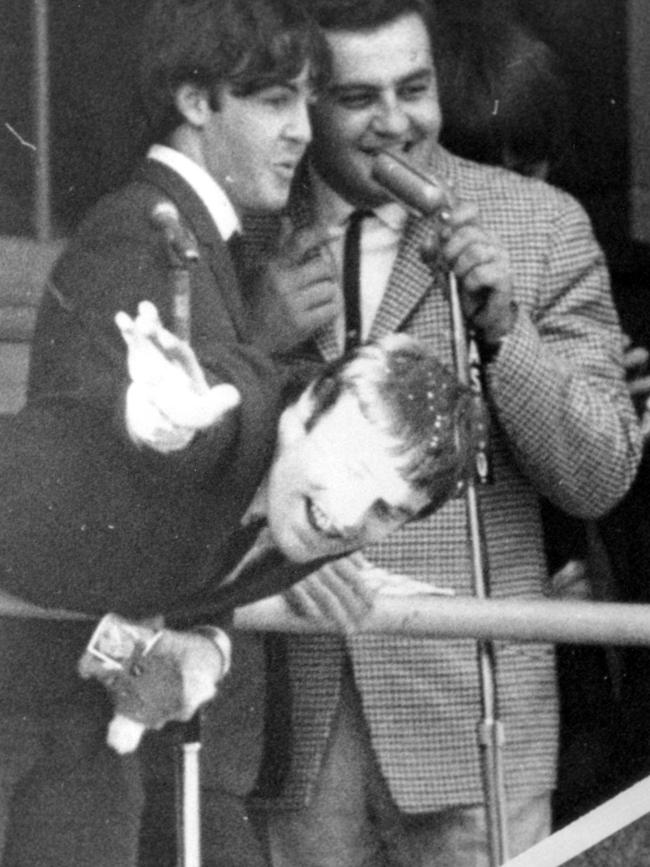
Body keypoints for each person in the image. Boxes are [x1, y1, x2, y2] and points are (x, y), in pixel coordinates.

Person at [244, 0, 642, 864]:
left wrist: (508, 334)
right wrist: (251, 337)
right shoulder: (251, 232)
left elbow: (601, 472)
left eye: (414, 89)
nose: (398, 122)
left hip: (473, 708)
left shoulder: (539, 225)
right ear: (306, 101)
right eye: (359, 99)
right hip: (298, 717)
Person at [0, 0, 335, 864]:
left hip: (142, 730)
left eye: (307, 101)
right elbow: (99, 513)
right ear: (195, 100)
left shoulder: (189, 240)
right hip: (95, 740)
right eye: (273, 101)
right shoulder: (143, 240)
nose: (303, 131)